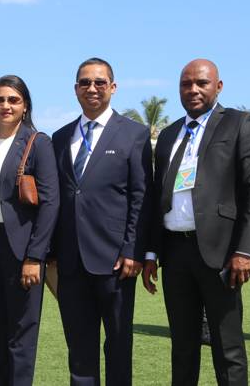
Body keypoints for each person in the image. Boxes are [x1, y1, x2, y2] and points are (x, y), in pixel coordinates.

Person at [143, 59, 250, 385]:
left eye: (202, 83)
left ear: (219, 86)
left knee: (227, 349)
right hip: (175, 254)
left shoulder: (241, 124)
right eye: (186, 84)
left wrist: (246, 250)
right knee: (182, 348)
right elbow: (158, 195)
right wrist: (152, 253)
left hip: (221, 254)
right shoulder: (170, 135)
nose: (193, 90)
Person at [51, 57, 152, 386]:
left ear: (113, 87)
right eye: (84, 82)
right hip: (71, 261)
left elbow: (141, 196)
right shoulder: (61, 136)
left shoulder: (134, 134)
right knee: (79, 349)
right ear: (75, 88)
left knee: (119, 344)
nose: (92, 88)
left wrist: (133, 249)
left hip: (116, 261)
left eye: (99, 82)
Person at [0, 75, 59, 385]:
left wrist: (35, 256)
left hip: (20, 249)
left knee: (21, 333)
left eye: (13, 100)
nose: (5, 106)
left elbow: (50, 204)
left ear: (25, 105)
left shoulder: (38, 142)